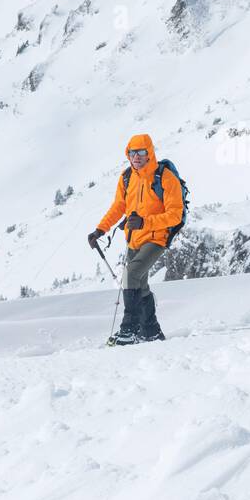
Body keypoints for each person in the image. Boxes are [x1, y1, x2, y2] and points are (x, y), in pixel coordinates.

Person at [87, 134, 184, 344]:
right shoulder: (127, 177)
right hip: (133, 239)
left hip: (157, 238)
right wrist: (99, 231)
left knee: (130, 274)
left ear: (150, 153)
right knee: (140, 285)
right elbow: (118, 207)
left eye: (141, 152)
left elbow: (175, 214)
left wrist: (144, 223)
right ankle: (151, 331)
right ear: (128, 154)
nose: (137, 157)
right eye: (132, 152)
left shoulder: (165, 177)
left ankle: (129, 329)